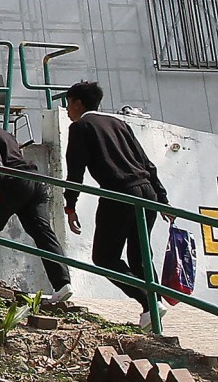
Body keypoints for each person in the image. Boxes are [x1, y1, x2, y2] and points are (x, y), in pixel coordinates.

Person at [62, 81, 174, 330]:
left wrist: (70, 205)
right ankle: (153, 312)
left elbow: (75, 170)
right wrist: (163, 199)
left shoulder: (80, 127)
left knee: (104, 257)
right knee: (140, 257)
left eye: (68, 104)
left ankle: (149, 302)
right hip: (147, 192)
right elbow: (146, 163)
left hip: (119, 193)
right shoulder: (119, 123)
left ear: (78, 103)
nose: (68, 110)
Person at [0, 99, 73, 304]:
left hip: (15, 184)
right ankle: (62, 283)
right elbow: (8, 159)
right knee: (41, 231)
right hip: (34, 182)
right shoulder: (5, 133)